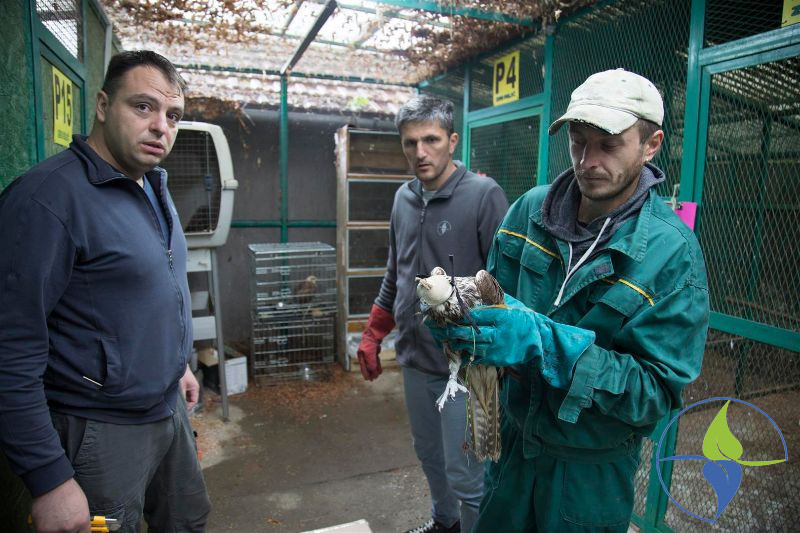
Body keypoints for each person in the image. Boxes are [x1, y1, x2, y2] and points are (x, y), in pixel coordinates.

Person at [427, 69, 710, 531]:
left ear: (651, 145)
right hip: (511, 452)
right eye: (579, 142)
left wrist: (547, 345)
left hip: (588, 473)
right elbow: (491, 308)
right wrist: (459, 323)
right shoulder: (527, 213)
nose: (588, 161)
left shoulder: (672, 255)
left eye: (609, 145)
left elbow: (653, 394)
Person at [0, 51, 210, 532]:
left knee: (187, 520)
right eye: (143, 107)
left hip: (168, 409)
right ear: (101, 106)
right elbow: (10, 347)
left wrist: (177, 363)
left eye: (173, 115)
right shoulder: (46, 200)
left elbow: (151, 290)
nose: (160, 127)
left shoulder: (153, 185)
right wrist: (49, 479)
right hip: (99, 426)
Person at [357, 94, 509, 533]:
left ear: (452, 141)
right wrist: (373, 333)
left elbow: (504, 284)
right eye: (410, 143)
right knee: (428, 454)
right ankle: (445, 522)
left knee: (468, 473)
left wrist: (497, 349)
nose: (420, 152)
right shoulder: (403, 199)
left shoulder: (483, 195)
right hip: (415, 357)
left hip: (468, 363)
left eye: (431, 140)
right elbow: (397, 273)